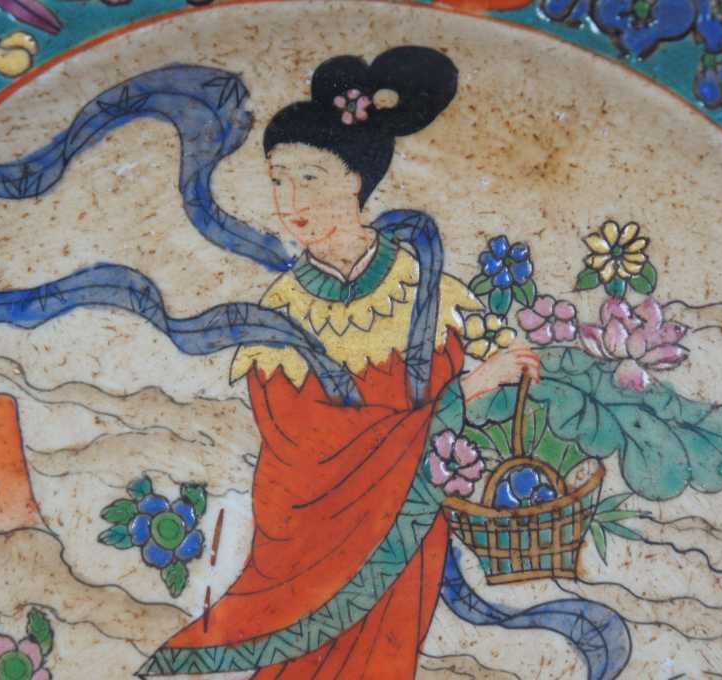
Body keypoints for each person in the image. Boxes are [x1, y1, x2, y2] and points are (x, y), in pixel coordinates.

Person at [154, 45, 539, 679]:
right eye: (277, 179)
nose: (289, 199)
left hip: (404, 526)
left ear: (355, 180)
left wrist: (501, 382)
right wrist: (467, 392)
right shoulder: (281, 310)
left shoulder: (428, 289)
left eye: (309, 177)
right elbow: (301, 443)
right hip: (308, 537)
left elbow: (467, 427)